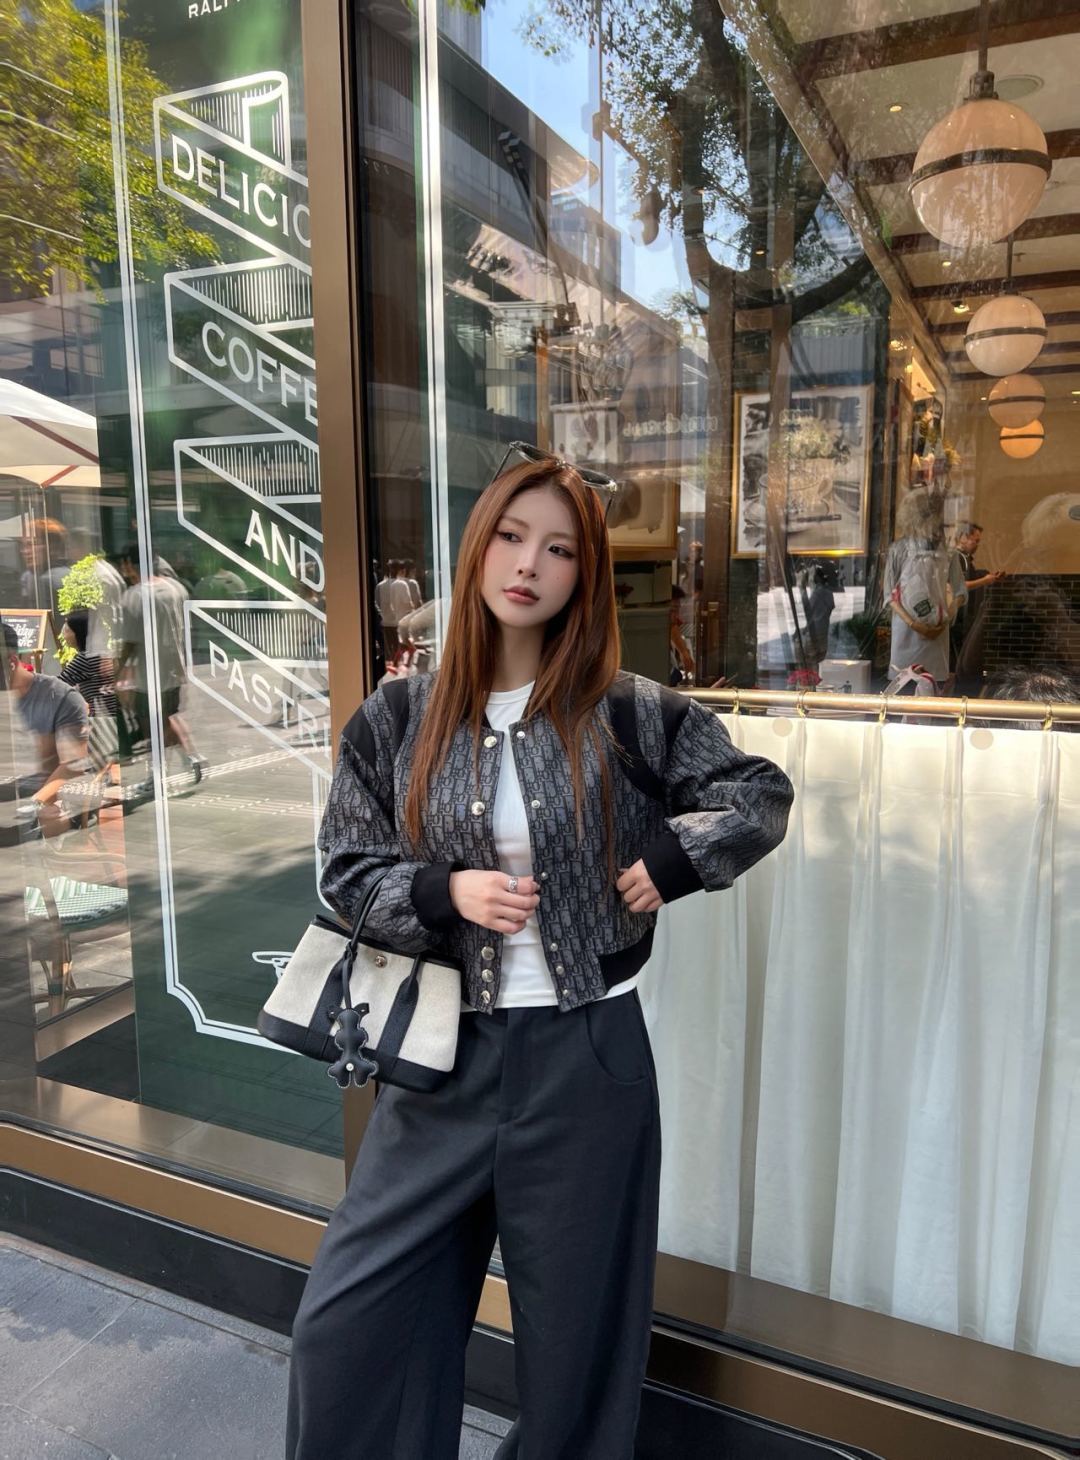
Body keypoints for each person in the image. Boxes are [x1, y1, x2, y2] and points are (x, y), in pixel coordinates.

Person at [286, 454, 794, 1459]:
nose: (529, 565)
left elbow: (758, 794)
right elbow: (348, 872)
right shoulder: (398, 717)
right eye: (513, 537)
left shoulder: (631, 711)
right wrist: (445, 891)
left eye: (559, 549)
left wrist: (673, 859)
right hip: (439, 1066)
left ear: (584, 575)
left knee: (578, 1353)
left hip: (587, 1062)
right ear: (479, 548)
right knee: (348, 1328)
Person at [115, 547, 206, 793]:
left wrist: (117, 671)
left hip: (149, 672)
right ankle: (190, 758)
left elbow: (129, 642)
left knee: (152, 726)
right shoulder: (177, 588)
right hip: (174, 666)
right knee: (166, 718)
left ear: (129, 565)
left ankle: (158, 776)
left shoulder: (134, 595)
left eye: (124, 565)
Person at [1, 620, 90, 834]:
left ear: (12, 661)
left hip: (46, 803)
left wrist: (35, 804)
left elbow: (72, 767)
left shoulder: (60, 698)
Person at [883, 486, 966, 690]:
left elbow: (960, 591)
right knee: (903, 688)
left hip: (937, 632)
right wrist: (914, 624)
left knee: (933, 689)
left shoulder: (949, 552)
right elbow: (889, 596)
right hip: (906, 633)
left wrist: (945, 619)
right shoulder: (898, 550)